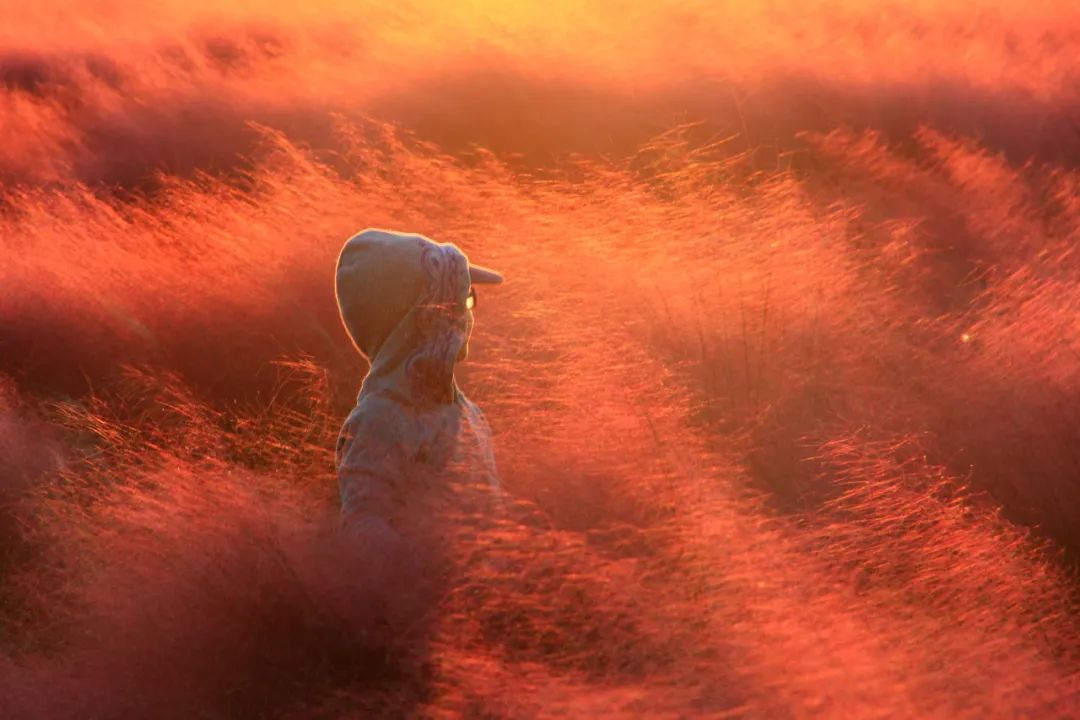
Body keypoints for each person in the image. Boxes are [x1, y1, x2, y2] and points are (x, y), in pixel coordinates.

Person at [333, 228, 504, 596]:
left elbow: (490, 516)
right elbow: (364, 520)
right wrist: (435, 580)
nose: (467, 316)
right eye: (459, 301)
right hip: (416, 619)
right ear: (420, 316)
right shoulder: (383, 418)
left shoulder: (468, 412)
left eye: (469, 299)